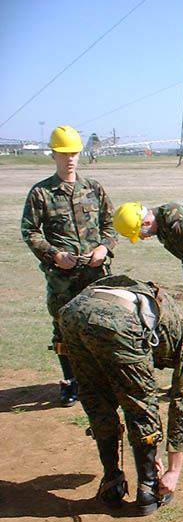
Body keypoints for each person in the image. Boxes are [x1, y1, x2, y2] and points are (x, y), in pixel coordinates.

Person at [58, 274, 183, 515]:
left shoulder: (178, 321)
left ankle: (112, 482)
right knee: (141, 406)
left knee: (96, 398)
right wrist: (174, 471)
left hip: (73, 313)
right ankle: (148, 489)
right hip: (120, 321)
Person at [21, 125, 117, 407]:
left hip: (96, 274)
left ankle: (102, 379)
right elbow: (30, 231)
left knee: (102, 324)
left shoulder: (94, 189)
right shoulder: (41, 193)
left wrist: (104, 248)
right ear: (53, 155)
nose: (70, 159)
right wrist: (54, 255)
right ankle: (71, 381)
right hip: (63, 277)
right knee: (63, 329)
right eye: (64, 154)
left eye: (74, 153)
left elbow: (110, 226)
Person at [113, 200, 183, 317]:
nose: (142, 238)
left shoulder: (175, 223)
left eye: (140, 234)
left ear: (146, 223)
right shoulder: (162, 224)